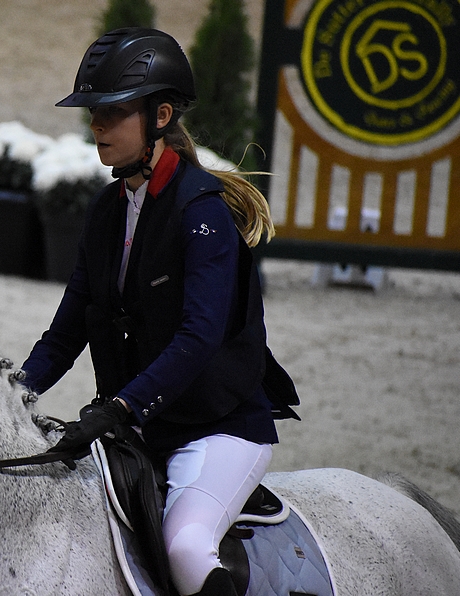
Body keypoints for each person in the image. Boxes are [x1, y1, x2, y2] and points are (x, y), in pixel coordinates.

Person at [20, 28, 298, 596]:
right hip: (141, 429)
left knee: (186, 546)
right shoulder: (106, 210)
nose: (96, 125)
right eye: (93, 112)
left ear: (161, 115)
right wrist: (16, 389)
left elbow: (197, 338)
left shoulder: (204, 216)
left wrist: (120, 408)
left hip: (216, 430)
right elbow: (69, 325)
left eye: (113, 113)